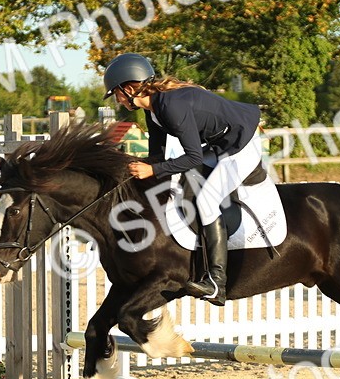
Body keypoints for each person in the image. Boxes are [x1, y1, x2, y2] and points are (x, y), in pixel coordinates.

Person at [103, 52, 263, 306]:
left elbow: (192, 157)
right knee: (186, 181)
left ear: (129, 88)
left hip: (241, 144)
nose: (117, 100)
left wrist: (152, 170)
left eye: (117, 94)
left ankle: (216, 283)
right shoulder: (153, 111)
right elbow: (157, 156)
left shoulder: (171, 107)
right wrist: (130, 168)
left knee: (207, 200)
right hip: (220, 145)